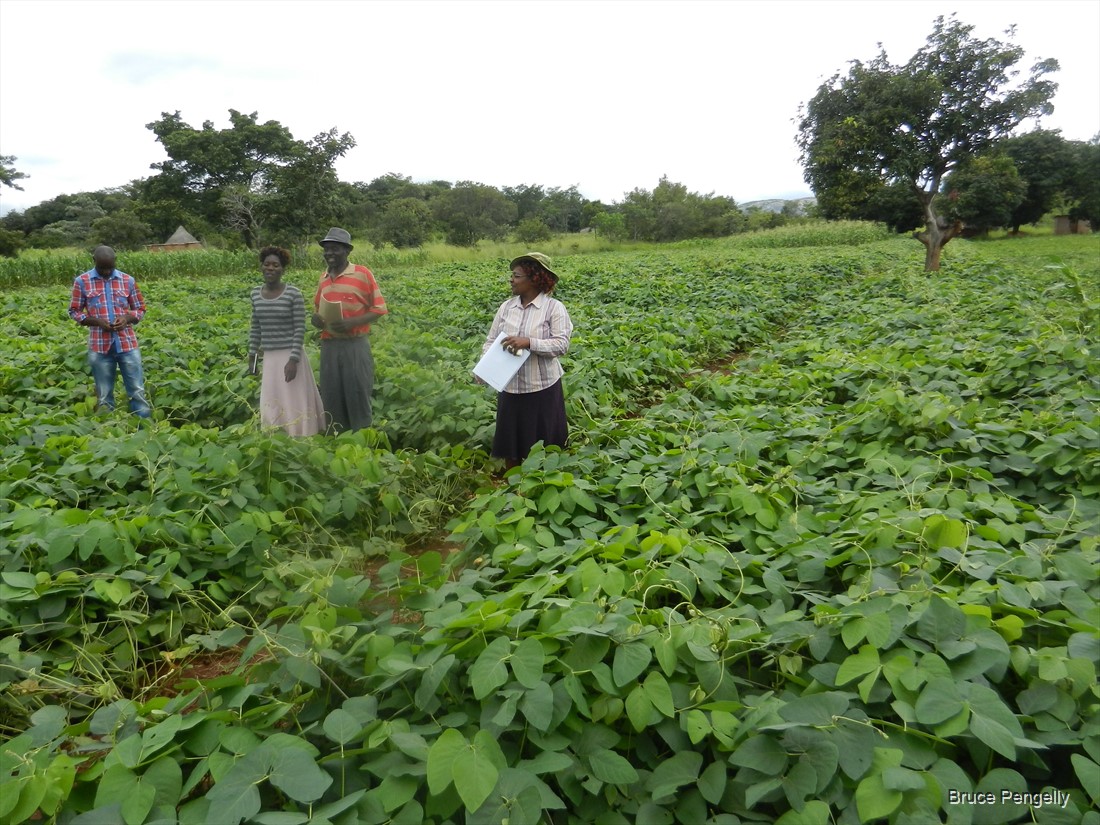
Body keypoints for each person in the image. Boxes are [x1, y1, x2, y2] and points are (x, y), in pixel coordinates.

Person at [481, 252, 573, 470]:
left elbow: (561, 345)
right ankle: (513, 490)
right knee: (511, 444)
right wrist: (483, 368)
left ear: (534, 279)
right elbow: (491, 340)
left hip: (542, 387)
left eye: (517, 276)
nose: (511, 280)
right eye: (512, 275)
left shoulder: (553, 308)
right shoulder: (506, 307)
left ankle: (541, 484)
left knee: (543, 445)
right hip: (510, 387)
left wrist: (529, 343)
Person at [310, 227, 388, 432]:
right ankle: (338, 440)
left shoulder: (362, 274)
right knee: (331, 395)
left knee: (357, 394)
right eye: (326, 249)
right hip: (329, 345)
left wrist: (352, 322)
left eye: (335, 249)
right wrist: (316, 320)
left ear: (347, 251)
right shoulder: (323, 278)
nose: (329, 254)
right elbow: (318, 310)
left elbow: (379, 309)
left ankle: (362, 443)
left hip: (355, 344)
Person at [248, 246, 326, 437]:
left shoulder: (293, 294)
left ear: (283, 269)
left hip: (291, 356)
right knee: (273, 399)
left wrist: (293, 360)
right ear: (261, 267)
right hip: (270, 358)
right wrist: (252, 356)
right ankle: (276, 436)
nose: (270, 268)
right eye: (267, 264)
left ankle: (301, 435)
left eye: (276, 265)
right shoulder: (255, 295)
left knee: (294, 400)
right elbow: (256, 327)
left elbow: (299, 328)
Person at [68, 245, 152, 418]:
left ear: (115, 261)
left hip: (127, 343)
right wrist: (96, 321)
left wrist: (127, 318)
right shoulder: (82, 281)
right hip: (99, 346)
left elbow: (141, 309)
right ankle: (108, 429)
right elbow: (74, 311)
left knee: (137, 389)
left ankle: (143, 425)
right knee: (104, 393)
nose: (106, 272)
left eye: (109, 267)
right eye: (102, 268)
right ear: (94, 261)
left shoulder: (127, 280)